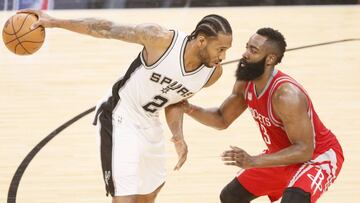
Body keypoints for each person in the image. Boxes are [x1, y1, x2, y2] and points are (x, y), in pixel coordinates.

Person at [19, 9, 232, 203]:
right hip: (120, 114)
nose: (223, 56)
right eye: (220, 49)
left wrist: (178, 136)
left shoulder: (212, 73)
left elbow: (175, 101)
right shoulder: (160, 39)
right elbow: (105, 28)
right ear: (202, 41)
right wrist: (54, 22)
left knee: (149, 194)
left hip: (150, 121)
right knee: (125, 198)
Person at [179, 27, 344, 203]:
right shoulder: (245, 81)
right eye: (247, 47)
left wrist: (253, 161)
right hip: (282, 155)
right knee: (231, 197)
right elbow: (222, 118)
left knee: (294, 200)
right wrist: (188, 108)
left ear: (270, 59)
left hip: (315, 157)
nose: (245, 54)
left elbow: (304, 150)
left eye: (253, 50)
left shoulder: (286, 96)